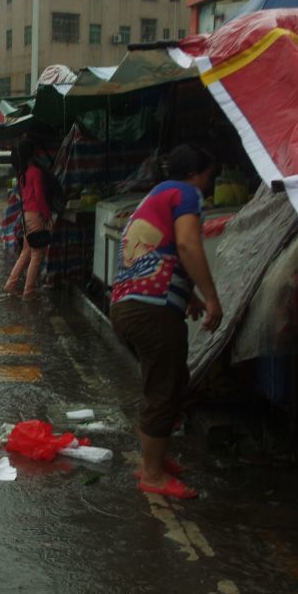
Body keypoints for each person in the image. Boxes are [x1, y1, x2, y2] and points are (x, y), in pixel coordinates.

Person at [109, 143, 223, 500]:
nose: (210, 184)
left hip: (128, 307)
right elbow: (188, 246)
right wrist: (213, 298)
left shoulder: (158, 194)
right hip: (151, 309)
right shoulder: (187, 194)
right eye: (210, 176)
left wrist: (190, 298)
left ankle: (155, 461)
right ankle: (152, 474)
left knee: (168, 383)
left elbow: (160, 254)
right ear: (197, 174)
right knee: (164, 389)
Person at [3, 138, 51, 300]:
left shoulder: (22, 173)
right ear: (33, 153)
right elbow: (39, 197)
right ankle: (28, 292)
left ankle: (11, 284)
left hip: (25, 216)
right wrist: (47, 215)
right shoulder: (35, 172)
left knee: (26, 252)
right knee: (37, 256)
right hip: (35, 215)